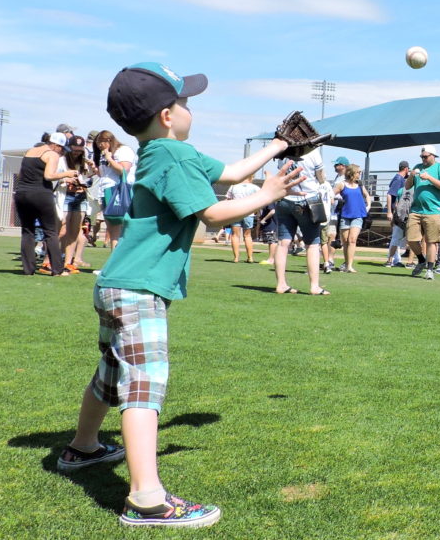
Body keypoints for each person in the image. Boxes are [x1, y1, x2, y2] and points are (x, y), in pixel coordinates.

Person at [59, 62, 304, 529]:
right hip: (138, 289)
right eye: (185, 101)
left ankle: (83, 447)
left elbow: (231, 173)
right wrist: (269, 192)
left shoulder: (161, 152)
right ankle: (146, 499)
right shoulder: (172, 156)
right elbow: (213, 213)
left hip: (118, 284)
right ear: (167, 115)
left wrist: (278, 145)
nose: (191, 108)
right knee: (143, 388)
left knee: (111, 376)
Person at [13, 132, 80, 275]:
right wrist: (67, 174)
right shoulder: (52, 154)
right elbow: (49, 176)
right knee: (50, 232)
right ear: (56, 145)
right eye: (62, 149)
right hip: (40, 194)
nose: (62, 153)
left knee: (27, 231)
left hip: (22, 194)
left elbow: (21, 174)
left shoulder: (30, 151)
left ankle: (28, 269)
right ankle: (57, 269)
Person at [275, 149, 329, 295]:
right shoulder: (313, 152)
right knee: (312, 244)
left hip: (285, 199)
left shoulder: (284, 152)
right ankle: (314, 287)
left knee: (283, 243)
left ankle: (281, 284)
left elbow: (281, 174)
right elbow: (321, 177)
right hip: (308, 200)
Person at [404, 145, 440, 280]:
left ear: (433, 156)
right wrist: (411, 176)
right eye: (421, 156)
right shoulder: (417, 166)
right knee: (411, 239)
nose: (423, 159)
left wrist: (429, 178)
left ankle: (429, 269)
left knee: (431, 241)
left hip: (433, 211)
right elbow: (407, 186)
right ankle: (421, 260)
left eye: (425, 156)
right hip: (416, 210)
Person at [57, 135, 97, 273]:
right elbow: (54, 177)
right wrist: (66, 180)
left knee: (74, 232)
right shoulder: (61, 161)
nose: (77, 153)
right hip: (65, 197)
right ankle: (51, 260)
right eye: (74, 150)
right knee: (62, 230)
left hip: (80, 197)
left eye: (80, 150)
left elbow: (88, 177)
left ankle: (68, 263)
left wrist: (92, 168)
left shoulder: (84, 162)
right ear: (69, 148)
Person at [93, 130, 137, 250]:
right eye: (98, 143)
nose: (99, 146)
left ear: (109, 140)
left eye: (101, 142)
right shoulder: (105, 153)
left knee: (119, 228)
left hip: (118, 191)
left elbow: (123, 170)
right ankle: (113, 264)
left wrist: (110, 159)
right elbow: (104, 174)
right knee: (112, 229)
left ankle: (119, 264)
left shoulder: (123, 150)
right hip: (105, 191)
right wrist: (95, 169)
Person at [335, 163, 370, 272]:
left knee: (352, 240)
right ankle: (346, 264)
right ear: (352, 173)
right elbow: (332, 194)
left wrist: (368, 206)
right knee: (345, 241)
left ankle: (349, 265)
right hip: (345, 215)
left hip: (358, 215)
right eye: (358, 172)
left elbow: (367, 195)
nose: (360, 174)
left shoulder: (360, 185)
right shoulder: (342, 184)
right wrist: (337, 200)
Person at [226, 175, 260, 263]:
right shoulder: (255, 188)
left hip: (236, 212)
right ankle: (250, 257)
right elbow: (260, 201)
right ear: (251, 177)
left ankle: (236, 258)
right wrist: (256, 211)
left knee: (235, 235)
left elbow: (228, 200)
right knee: (247, 236)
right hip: (249, 213)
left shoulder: (233, 187)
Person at [384, 161, 409, 267]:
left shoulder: (399, 178)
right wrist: (390, 211)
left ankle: (396, 259)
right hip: (397, 213)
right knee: (396, 237)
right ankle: (390, 260)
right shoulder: (399, 178)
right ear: (406, 169)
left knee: (398, 238)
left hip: (399, 212)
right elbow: (390, 195)